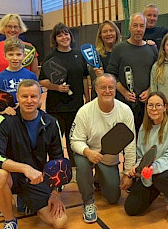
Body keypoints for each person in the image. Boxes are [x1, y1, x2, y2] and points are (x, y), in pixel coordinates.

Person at [0, 79, 67, 229]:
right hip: (13, 176)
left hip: (37, 179)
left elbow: (58, 161)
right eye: (24, 97)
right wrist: (24, 168)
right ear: (17, 97)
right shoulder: (5, 121)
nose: (29, 101)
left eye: (33, 96)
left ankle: (24, 200)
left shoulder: (50, 122)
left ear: (40, 98)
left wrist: (56, 193)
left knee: (60, 222)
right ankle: (10, 220)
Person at [70, 73, 136, 223]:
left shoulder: (125, 111)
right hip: (87, 153)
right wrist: (87, 152)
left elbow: (130, 144)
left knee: (113, 198)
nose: (107, 91)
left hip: (108, 158)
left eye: (111, 87)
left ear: (115, 89)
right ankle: (88, 202)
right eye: (103, 87)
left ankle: (98, 177)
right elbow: (75, 141)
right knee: (81, 164)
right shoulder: (85, 112)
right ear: (96, 89)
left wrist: (127, 173)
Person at [124, 92, 168, 224]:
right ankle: (162, 190)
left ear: (165, 107)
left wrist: (152, 168)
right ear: (146, 107)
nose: (154, 109)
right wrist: (137, 167)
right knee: (131, 208)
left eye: (158, 105)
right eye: (151, 105)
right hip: (150, 174)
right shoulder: (144, 127)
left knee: (162, 178)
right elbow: (141, 155)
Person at [40, 22, 90, 168]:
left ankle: (74, 170)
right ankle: (56, 169)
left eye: (66, 33)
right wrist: (56, 87)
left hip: (76, 106)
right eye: (59, 35)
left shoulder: (79, 55)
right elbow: (42, 80)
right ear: (55, 39)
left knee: (74, 140)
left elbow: (85, 78)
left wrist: (87, 98)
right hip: (56, 108)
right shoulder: (50, 57)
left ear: (70, 36)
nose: (64, 37)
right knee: (55, 140)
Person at [107, 13, 158, 135]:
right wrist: (124, 92)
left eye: (141, 26)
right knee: (126, 141)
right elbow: (111, 75)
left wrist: (150, 90)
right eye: (135, 25)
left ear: (145, 28)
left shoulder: (152, 49)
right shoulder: (119, 49)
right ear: (129, 27)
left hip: (147, 107)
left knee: (146, 140)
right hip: (124, 105)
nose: (138, 29)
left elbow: (158, 75)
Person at [0, 37, 39, 116]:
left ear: (24, 56)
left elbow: (39, 101)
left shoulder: (31, 76)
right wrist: (4, 110)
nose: (15, 58)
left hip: (27, 117)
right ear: (5, 56)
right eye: (10, 54)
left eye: (18, 54)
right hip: (8, 119)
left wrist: (26, 105)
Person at [88, 20, 121, 99]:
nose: (108, 34)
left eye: (111, 31)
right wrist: (99, 77)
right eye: (105, 31)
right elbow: (93, 83)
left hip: (121, 97)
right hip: (103, 98)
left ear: (116, 33)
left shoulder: (123, 51)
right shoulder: (95, 55)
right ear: (100, 35)